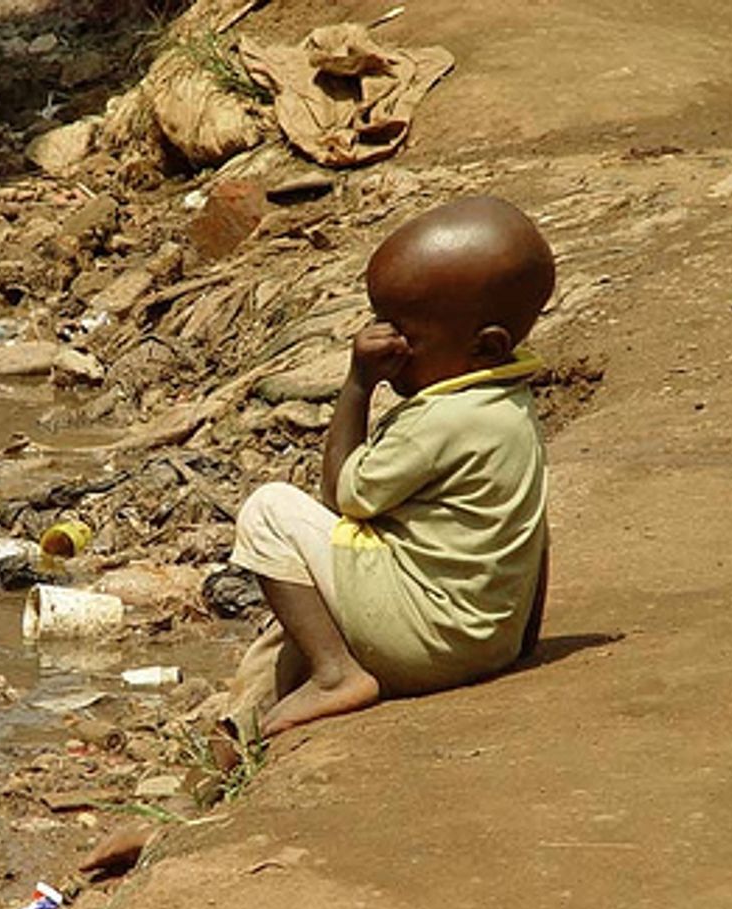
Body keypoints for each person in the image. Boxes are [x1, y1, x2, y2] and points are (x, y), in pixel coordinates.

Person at [228, 195, 554, 738]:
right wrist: (520, 642)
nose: (384, 342)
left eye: (405, 333)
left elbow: (342, 498)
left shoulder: (441, 418)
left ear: (486, 345)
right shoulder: (511, 405)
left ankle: (336, 676)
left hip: (428, 646)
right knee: (521, 509)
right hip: (488, 641)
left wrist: (358, 384)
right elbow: (530, 534)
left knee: (268, 512)